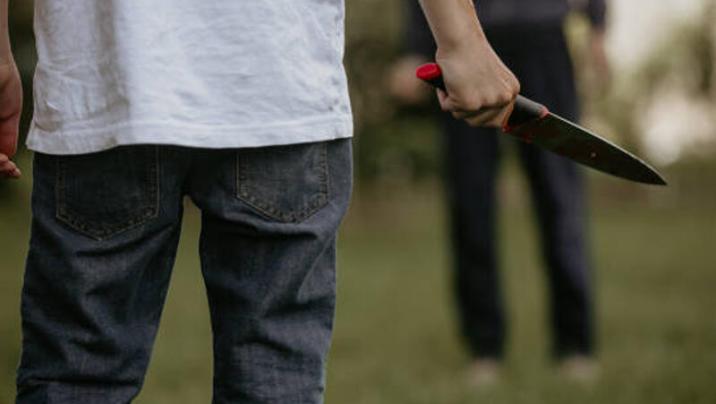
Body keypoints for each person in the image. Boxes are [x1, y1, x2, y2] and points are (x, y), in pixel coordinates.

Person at [0, 0, 518, 402]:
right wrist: (460, 40)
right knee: (275, 377)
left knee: (77, 376)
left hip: (104, 85)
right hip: (277, 83)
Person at [391, 0, 609, 384]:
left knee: (560, 199)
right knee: (470, 203)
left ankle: (575, 345)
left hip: (543, 39)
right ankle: (484, 349)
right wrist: (413, 46)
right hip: (466, 45)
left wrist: (597, 28)